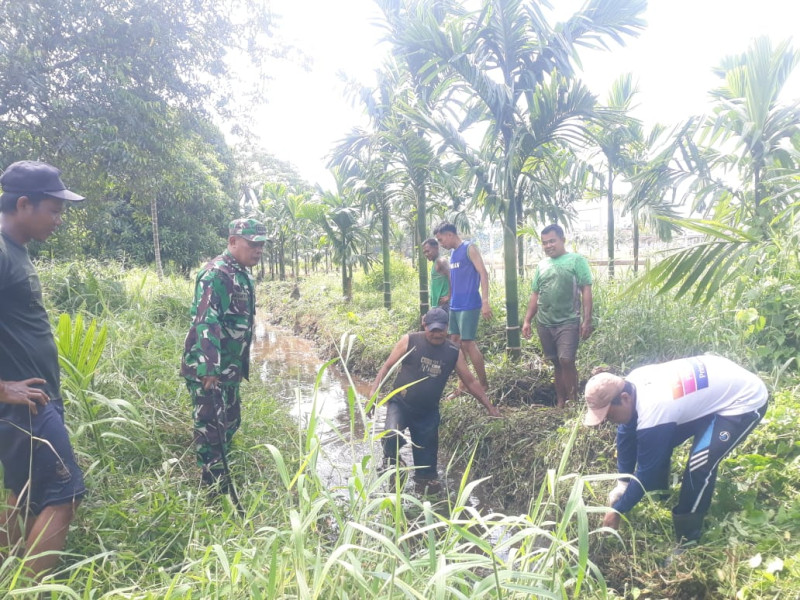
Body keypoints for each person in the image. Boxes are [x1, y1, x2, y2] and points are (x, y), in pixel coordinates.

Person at [0, 160, 86, 579]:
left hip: (34, 400)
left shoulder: (15, 250)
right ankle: (29, 590)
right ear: (22, 204)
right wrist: (2, 389)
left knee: (24, 491)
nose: (58, 220)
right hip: (24, 405)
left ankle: (9, 575)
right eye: (53, 210)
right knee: (66, 492)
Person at [583, 355, 768, 545]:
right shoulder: (631, 383)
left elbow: (647, 472)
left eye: (610, 415)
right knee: (650, 442)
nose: (609, 421)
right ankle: (660, 494)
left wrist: (618, 510)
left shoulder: (654, 407)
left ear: (624, 398)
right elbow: (626, 433)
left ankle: (687, 538)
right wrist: (623, 482)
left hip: (741, 400)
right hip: (712, 389)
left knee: (699, 464)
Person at [181, 218, 267, 491]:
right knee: (211, 428)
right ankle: (213, 490)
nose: (258, 250)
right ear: (232, 241)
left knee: (230, 421)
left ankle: (221, 478)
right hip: (211, 370)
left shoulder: (241, 273)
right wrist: (209, 369)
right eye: (252, 244)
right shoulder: (217, 274)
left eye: (261, 245)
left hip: (228, 369)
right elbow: (206, 320)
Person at [369, 308, 500, 480]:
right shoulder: (410, 340)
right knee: (391, 434)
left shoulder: (453, 351)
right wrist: (373, 394)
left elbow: (470, 381)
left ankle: (424, 493)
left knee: (427, 474)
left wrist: (490, 407)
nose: (437, 334)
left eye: (441, 330)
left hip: (427, 412)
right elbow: (387, 367)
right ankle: (393, 462)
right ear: (425, 325)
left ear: (447, 328)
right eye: (433, 330)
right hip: (401, 404)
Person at [522, 224, 592, 408]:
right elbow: (535, 294)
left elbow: (586, 289)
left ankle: (573, 401)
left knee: (566, 360)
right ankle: (561, 401)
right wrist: (527, 320)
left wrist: (586, 320)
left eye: (552, 241)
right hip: (545, 322)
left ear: (562, 240)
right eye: (544, 243)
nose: (548, 245)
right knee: (556, 362)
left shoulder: (576, 260)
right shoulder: (542, 265)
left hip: (568, 321)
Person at [432, 222, 491, 396]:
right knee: (455, 343)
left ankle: (483, 384)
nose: (441, 243)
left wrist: (485, 301)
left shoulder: (469, 248)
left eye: (441, 239)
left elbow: (483, 273)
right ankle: (462, 386)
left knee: (467, 342)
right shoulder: (453, 254)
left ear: (450, 235)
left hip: (469, 304)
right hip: (455, 305)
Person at [422, 237, 450, 311]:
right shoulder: (435, 262)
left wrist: (449, 296)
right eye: (424, 252)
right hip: (438, 305)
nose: (426, 254)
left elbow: (453, 276)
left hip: (444, 305)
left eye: (428, 251)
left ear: (436, 248)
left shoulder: (440, 261)